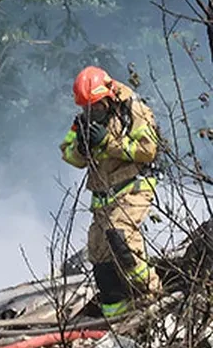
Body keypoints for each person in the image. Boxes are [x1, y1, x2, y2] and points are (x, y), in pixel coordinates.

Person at [59, 66, 163, 318]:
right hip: (102, 194)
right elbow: (68, 153)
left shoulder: (133, 109)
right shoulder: (84, 118)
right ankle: (115, 315)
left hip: (133, 187)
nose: (90, 113)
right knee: (98, 252)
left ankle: (153, 297)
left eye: (95, 107)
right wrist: (82, 149)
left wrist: (108, 142)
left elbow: (148, 151)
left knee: (121, 237)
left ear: (108, 97)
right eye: (86, 108)